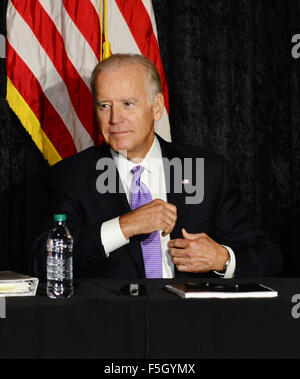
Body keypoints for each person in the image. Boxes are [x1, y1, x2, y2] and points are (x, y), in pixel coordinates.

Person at [31, 54, 283, 279]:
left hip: (193, 323)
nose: (115, 119)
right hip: (113, 325)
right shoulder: (73, 176)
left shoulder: (206, 170)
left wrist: (222, 258)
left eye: (128, 104)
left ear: (157, 108)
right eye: (104, 105)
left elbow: (268, 257)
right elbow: (43, 262)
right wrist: (124, 225)